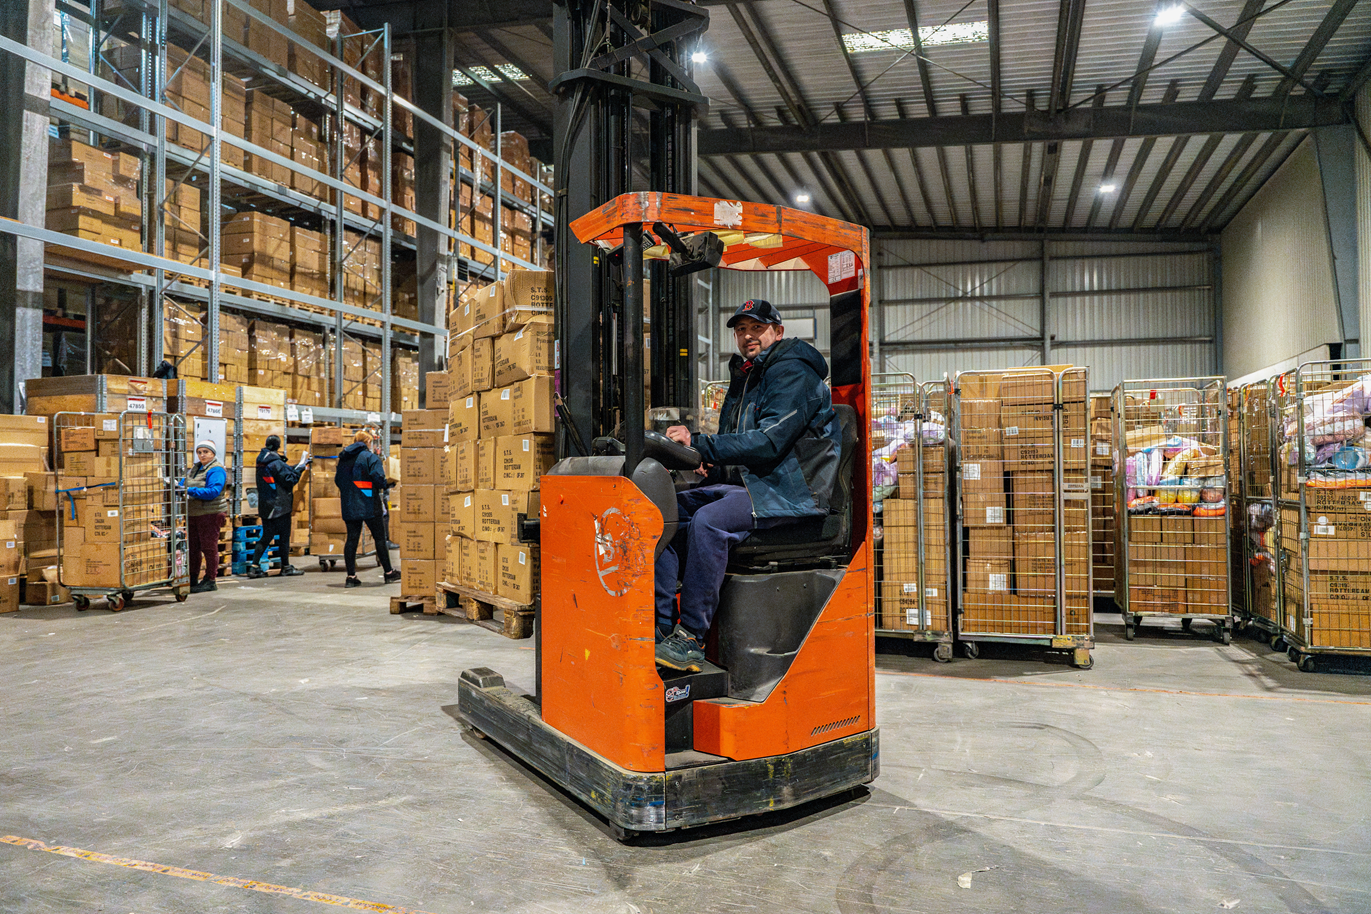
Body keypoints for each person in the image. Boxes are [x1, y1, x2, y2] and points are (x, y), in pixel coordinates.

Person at [654, 299, 842, 672]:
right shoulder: (747, 376)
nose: (748, 336)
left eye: (756, 328)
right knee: (664, 510)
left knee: (710, 520)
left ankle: (690, 637)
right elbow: (739, 446)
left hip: (791, 492)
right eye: (741, 330)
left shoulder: (793, 373)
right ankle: (659, 630)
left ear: (778, 331)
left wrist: (701, 444)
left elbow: (769, 441)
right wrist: (713, 465)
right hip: (756, 484)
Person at [334, 429, 401, 588]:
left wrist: (351, 492)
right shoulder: (370, 457)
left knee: (351, 539)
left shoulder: (343, 460)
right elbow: (378, 479)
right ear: (367, 443)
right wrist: (388, 484)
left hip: (349, 504)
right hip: (369, 504)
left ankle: (351, 577)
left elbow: (338, 481)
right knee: (379, 537)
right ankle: (389, 573)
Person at [246, 435, 311, 578]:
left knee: (267, 535)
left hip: (266, 505)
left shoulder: (262, 460)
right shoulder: (276, 463)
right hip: (280, 506)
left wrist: (299, 466)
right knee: (284, 537)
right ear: (278, 446)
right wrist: (300, 469)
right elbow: (290, 479)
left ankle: (254, 567)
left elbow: (282, 472)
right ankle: (286, 567)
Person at [184, 440, 229, 594]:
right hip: (194, 513)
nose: (202, 455)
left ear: (213, 454)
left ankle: (210, 579)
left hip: (210, 513)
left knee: (209, 547)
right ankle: (193, 578)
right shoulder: (196, 468)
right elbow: (187, 481)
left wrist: (190, 491)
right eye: (199, 452)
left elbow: (213, 491)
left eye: (206, 452)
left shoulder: (216, 470)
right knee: (193, 548)